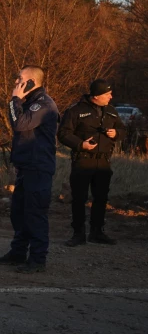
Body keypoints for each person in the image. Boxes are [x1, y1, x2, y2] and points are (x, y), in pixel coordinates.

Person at [0, 66, 59, 273]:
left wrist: (14, 100)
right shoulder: (30, 103)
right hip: (26, 167)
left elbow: (20, 124)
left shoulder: (43, 105)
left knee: (35, 214)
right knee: (19, 213)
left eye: (20, 79)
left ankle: (38, 260)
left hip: (38, 168)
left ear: (31, 82)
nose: (16, 82)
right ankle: (18, 253)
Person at [57, 79, 126, 246]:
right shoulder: (75, 111)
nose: (111, 96)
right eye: (107, 94)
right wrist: (81, 145)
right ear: (96, 96)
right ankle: (78, 234)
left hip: (103, 163)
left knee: (101, 198)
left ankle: (97, 232)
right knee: (79, 199)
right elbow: (64, 134)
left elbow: (123, 130)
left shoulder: (111, 111)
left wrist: (115, 133)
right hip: (83, 162)